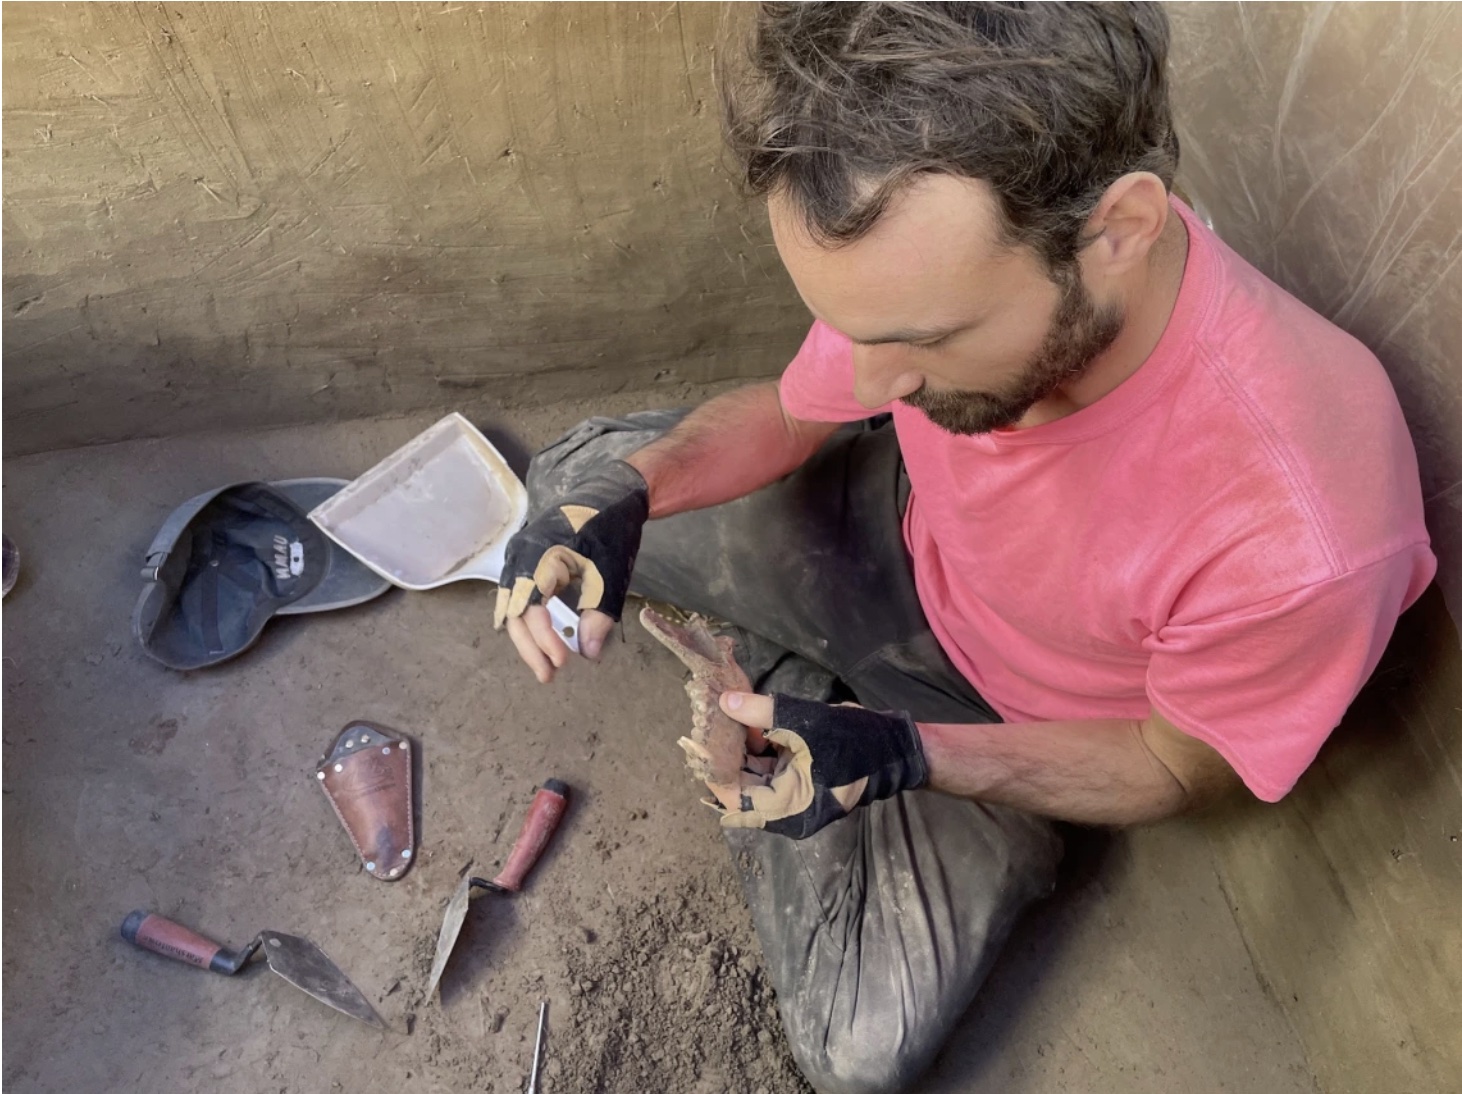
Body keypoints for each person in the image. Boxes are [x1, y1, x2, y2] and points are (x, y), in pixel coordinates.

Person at [492, 4, 1437, 1092]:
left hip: (1000, 727)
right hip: (884, 533)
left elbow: (1175, 762)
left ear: (1120, 226)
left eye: (926, 343)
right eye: (853, 328)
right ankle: (780, 699)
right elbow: (802, 416)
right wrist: (628, 494)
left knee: (857, 1053)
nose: (877, 383)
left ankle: (793, 705)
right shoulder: (914, 281)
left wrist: (903, 753)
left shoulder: (1301, 520)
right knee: (564, 491)